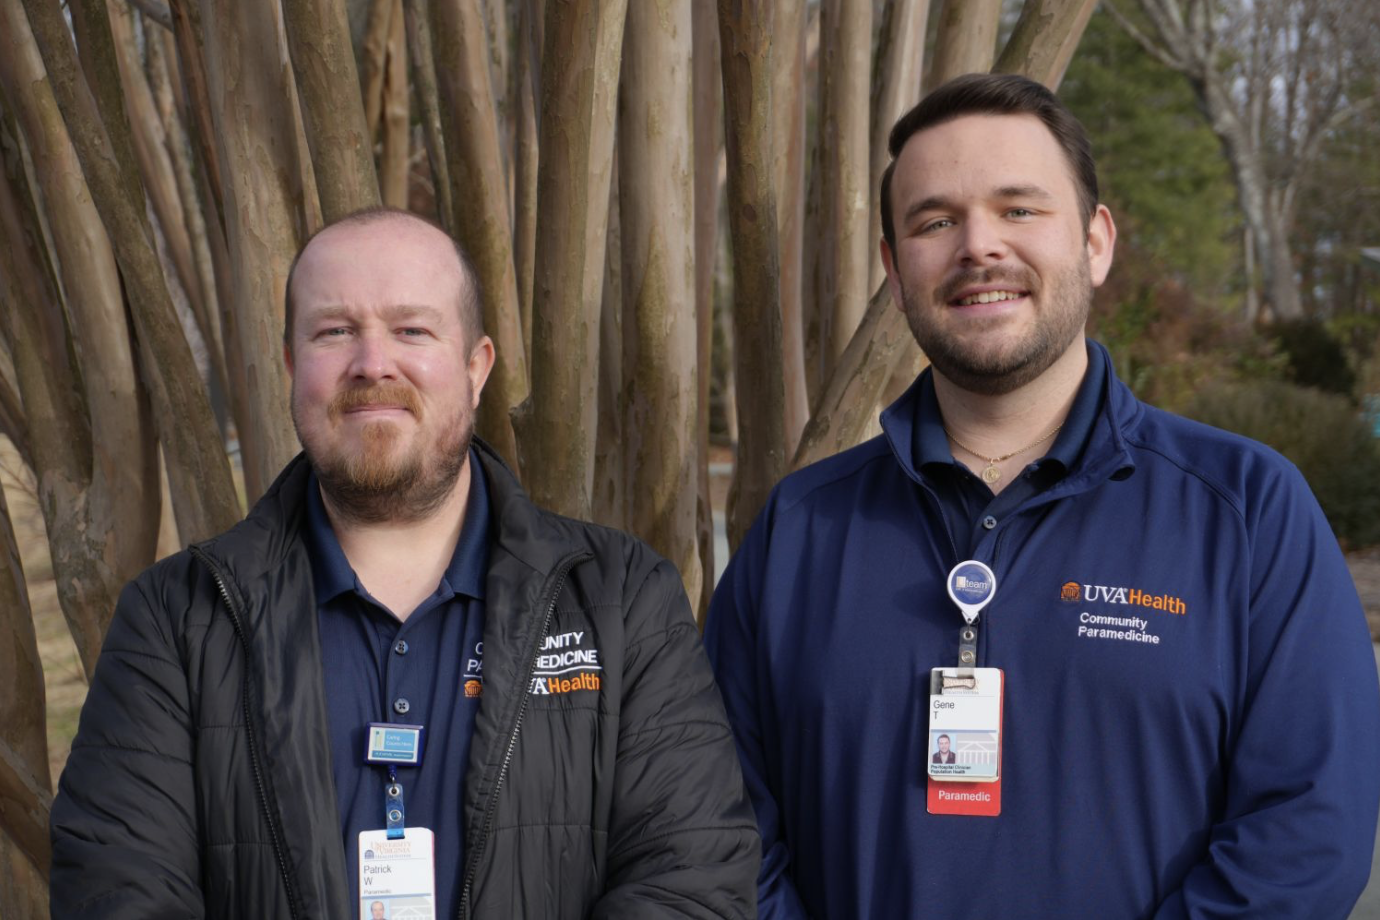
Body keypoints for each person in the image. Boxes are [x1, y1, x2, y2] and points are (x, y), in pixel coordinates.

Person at [705, 73, 1380, 918]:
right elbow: (719, 830)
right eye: (935, 220)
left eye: (1019, 209)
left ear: (1096, 242)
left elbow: (1306, 834)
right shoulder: (800, 530)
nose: (978, 246)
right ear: (893, 266)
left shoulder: (1246, 512)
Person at [50, 208, 759, 918]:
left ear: (476, 368)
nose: (373, 363)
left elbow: (691, 881)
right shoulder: (177, 622)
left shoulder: (621, 600)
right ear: (294, 367)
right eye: (335, 331)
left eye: (411, 329)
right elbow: (117, 893)